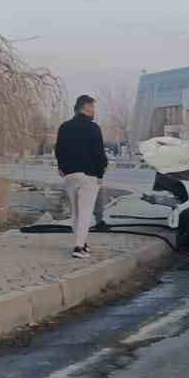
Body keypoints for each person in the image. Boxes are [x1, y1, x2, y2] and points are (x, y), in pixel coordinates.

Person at [56, 94, 108, 258]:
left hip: (70, 175)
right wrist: (100, 173)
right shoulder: (93, 128)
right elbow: (99, 153)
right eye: (92, 107)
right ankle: (78, 248)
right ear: (85, 107)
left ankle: (82, 243)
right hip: (88, 176)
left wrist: (62, 168)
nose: (94, 111)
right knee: (85, 212)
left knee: (76, 212)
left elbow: (58, 150)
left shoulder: (64, 126)